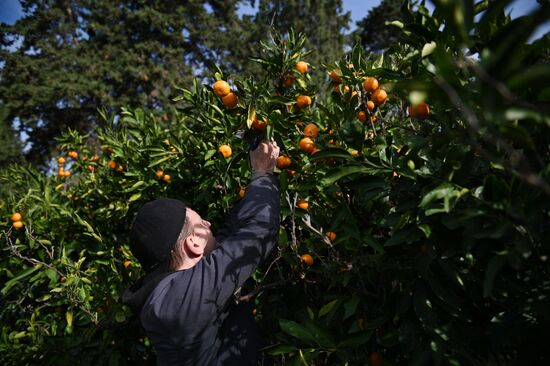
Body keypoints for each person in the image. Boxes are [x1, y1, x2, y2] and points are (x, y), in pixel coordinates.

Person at [122, 140, 280, 365]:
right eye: (200, 223)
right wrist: (262, 172)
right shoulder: (177, 301)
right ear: (193, 244)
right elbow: (255, 234)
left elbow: (232, 235)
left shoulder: (176, 290)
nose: (207, 222)